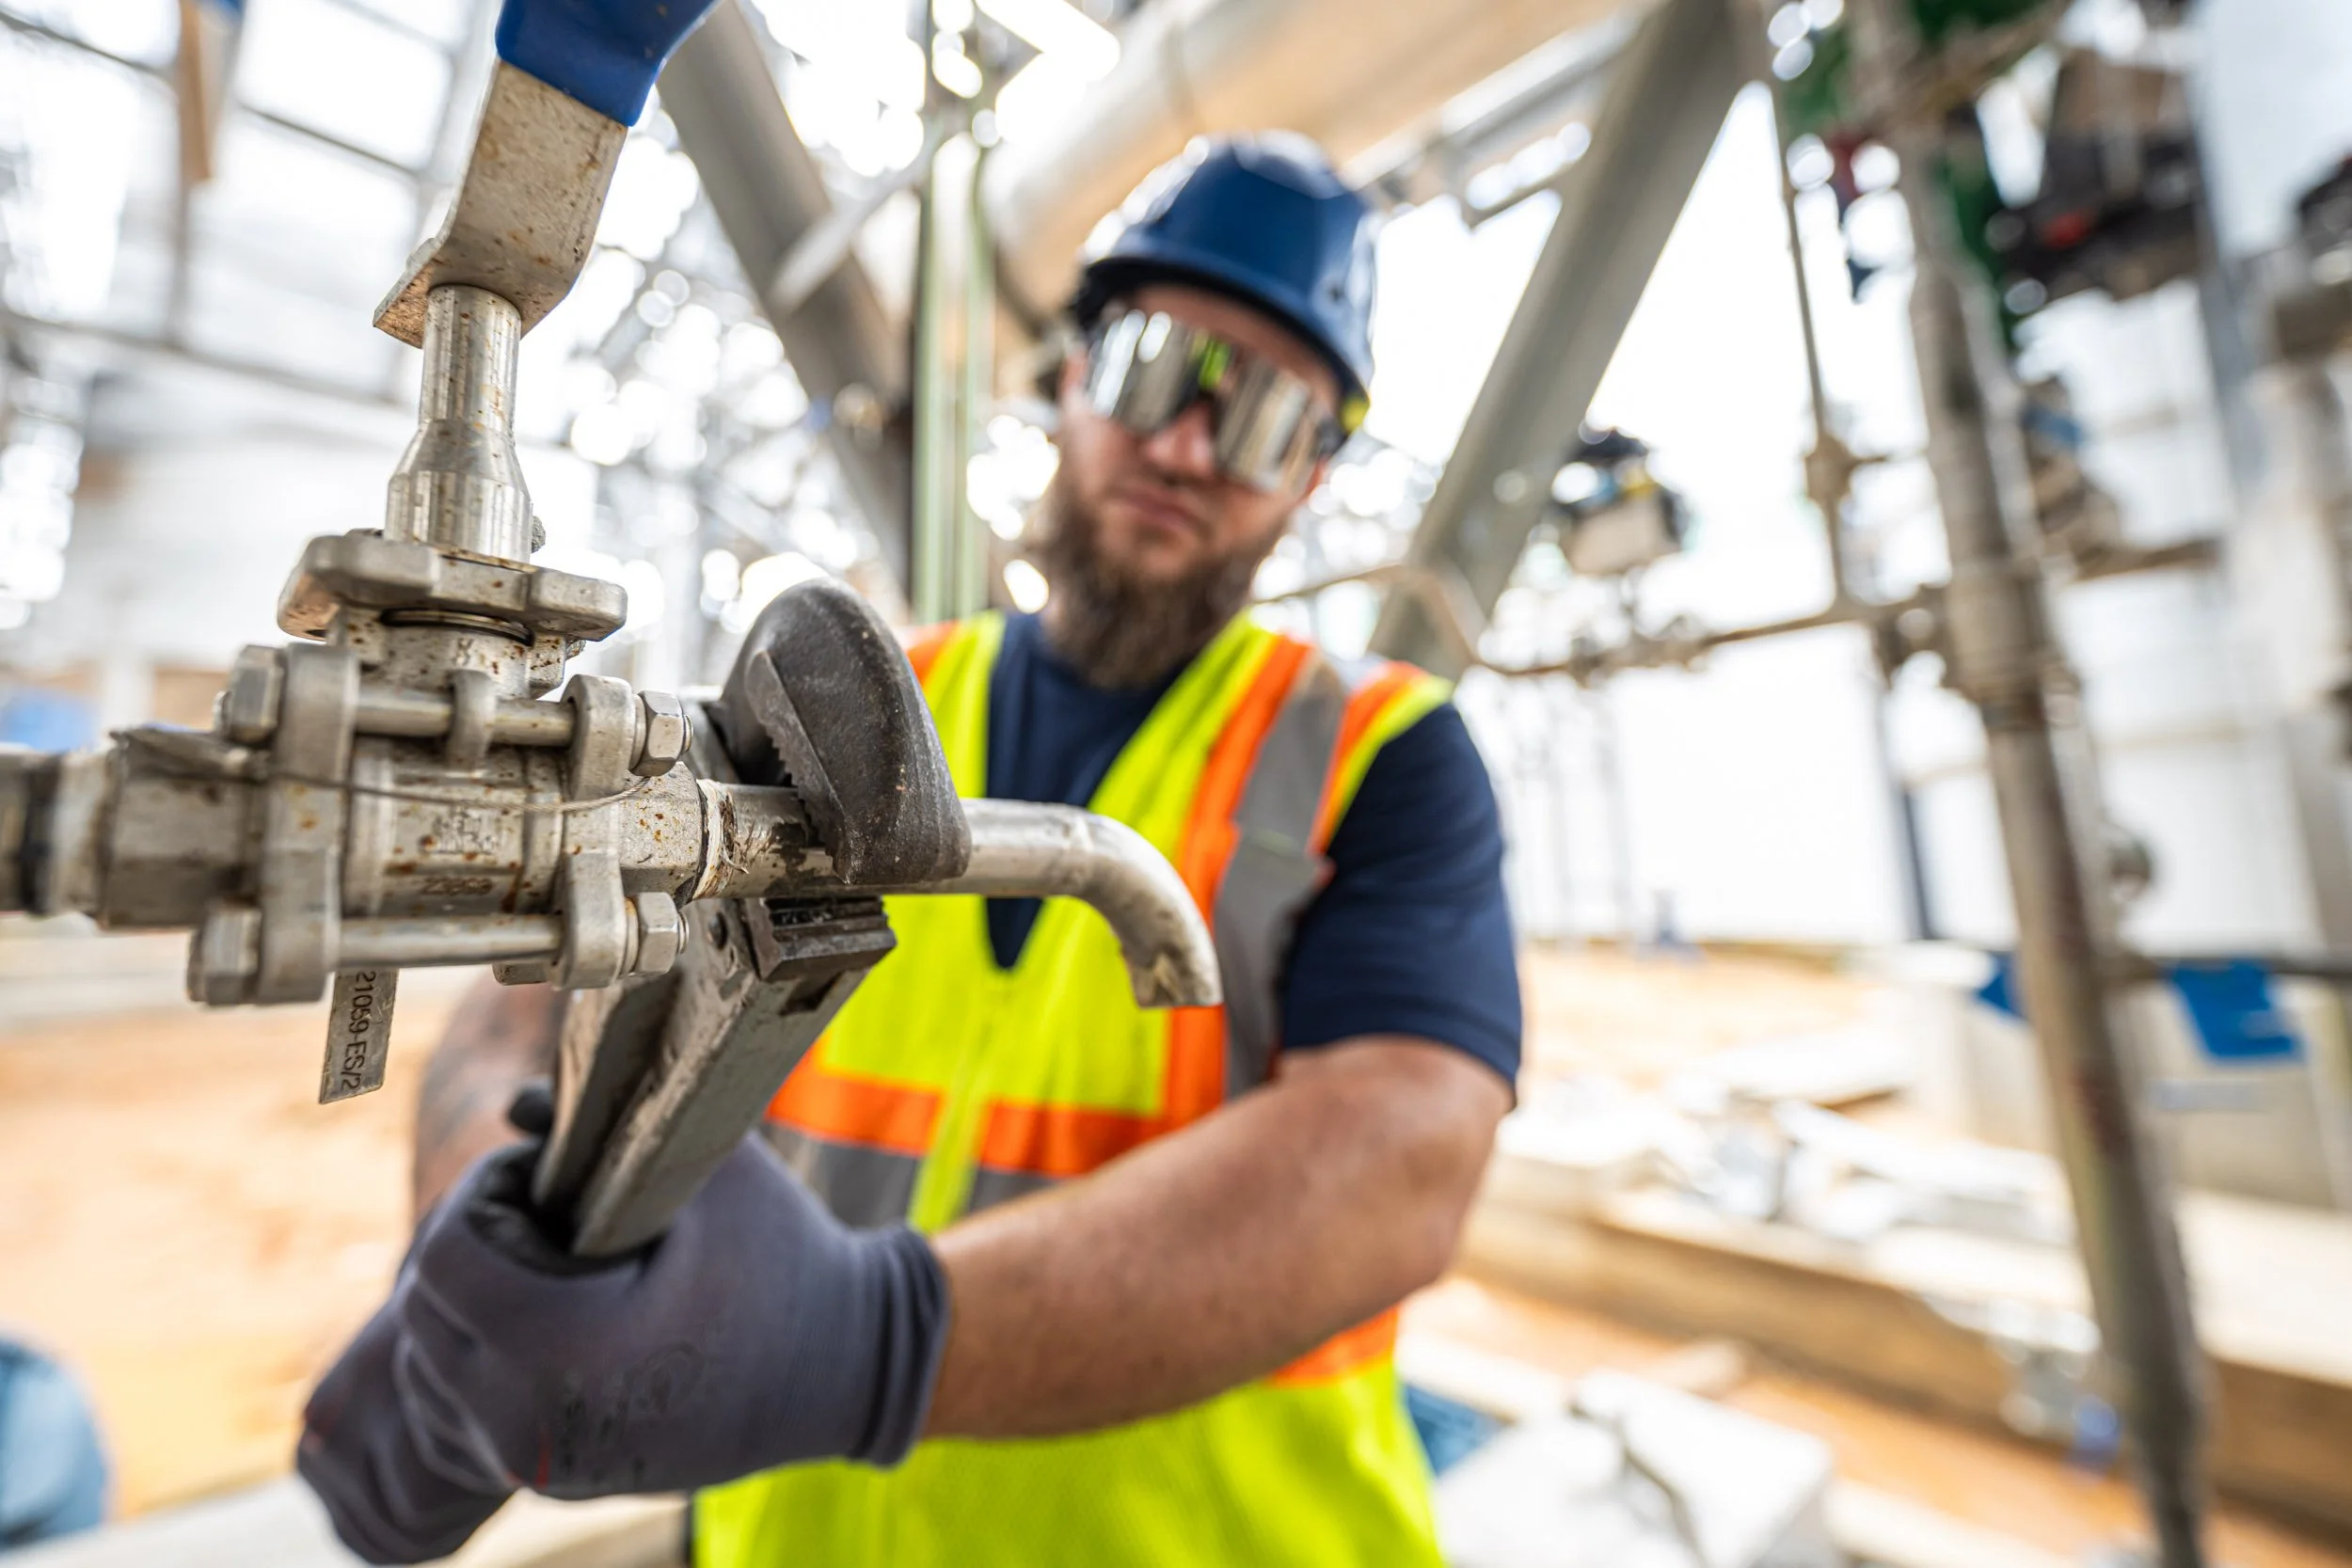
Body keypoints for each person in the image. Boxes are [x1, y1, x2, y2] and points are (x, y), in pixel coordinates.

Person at [297, 134, 1521, 1567]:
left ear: (1309, 478)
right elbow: (525, 997)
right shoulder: (843, 706)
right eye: (1152, 367)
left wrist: (871, 1343)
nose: (1188, 444)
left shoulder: (1376, 752)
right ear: (1067, 380)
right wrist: (495, 1234)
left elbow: (1401, 1159)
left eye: (1260, 418)